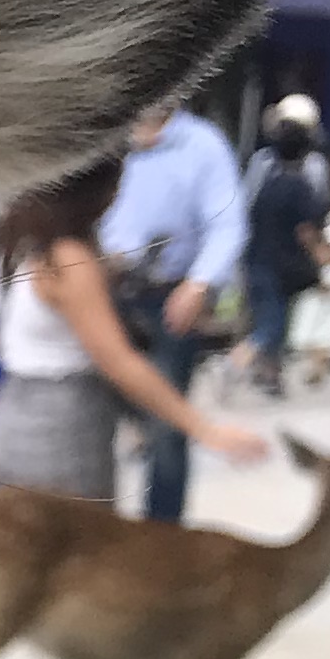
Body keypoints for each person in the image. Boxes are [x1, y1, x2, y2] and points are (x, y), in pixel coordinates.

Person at [0, 161, 273, 659]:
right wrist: (203, 427)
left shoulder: (11, 249)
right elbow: (119, 363)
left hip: (7, 417)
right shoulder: (70, 261)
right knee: (87, 584)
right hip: (64, 425)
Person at [100, 98, 248, 516]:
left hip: (167, 296)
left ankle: (161, 536)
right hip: (100, 290)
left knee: (168, 424)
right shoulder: (105, 137)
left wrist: (199, 284)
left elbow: (227, 224)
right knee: (89, 410)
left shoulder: (202, 145)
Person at [238, 96, 330, 395]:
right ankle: (251, 366)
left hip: (258, 253)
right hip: (291, 259)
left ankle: (270, 372)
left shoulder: (263, 163)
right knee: (276, 320)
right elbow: (313, 217)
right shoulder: (311, 169)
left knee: (269, 315)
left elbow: (246, 204)